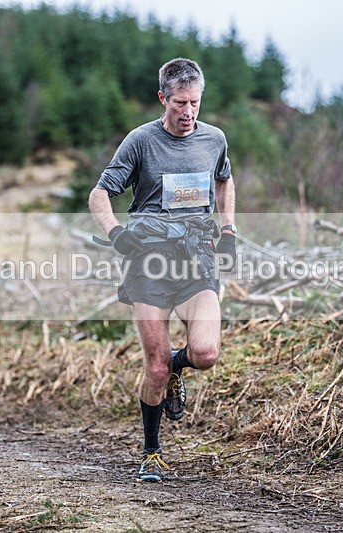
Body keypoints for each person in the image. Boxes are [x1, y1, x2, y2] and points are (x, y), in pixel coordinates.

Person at [88, 58, 237, 483]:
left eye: (195, 103)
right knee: (154, 367)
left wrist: (228, 228)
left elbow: (225, 180)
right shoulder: (140, 141)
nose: (188, 112)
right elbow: (99, 195)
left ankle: (178, 365)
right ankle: (151, 452)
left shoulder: (214, 139)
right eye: (179, 103)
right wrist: (116, 233)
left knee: (205, 353)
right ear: (162, 99)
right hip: (149, 264)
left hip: (197, 261)